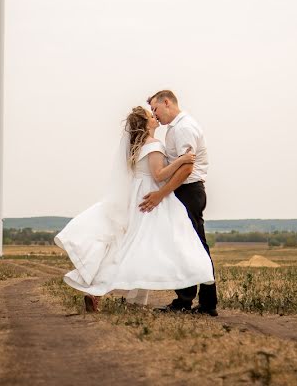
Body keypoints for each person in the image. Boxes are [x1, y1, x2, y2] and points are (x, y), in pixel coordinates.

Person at [55, 105, 214, 311]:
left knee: (135, 247)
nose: (154, 116)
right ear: (146, 123)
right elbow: (158, 175)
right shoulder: (154, 145)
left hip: (137, 197)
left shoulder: (136, 146)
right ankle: (99, 291)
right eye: (151, 115)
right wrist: (182, 160)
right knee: (148, 247)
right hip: (151, 198)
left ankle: (126, 298)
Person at [140, 89, 217, 316]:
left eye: (155, 108)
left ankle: (206, 304)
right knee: (183, 245)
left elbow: (187, 168)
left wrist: (160, 194)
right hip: (183, 190)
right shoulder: (176, 128)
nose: (154, 114)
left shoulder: (183, 128)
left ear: (167, 103)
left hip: (189, 190)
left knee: (196, 246)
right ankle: (185, 300)